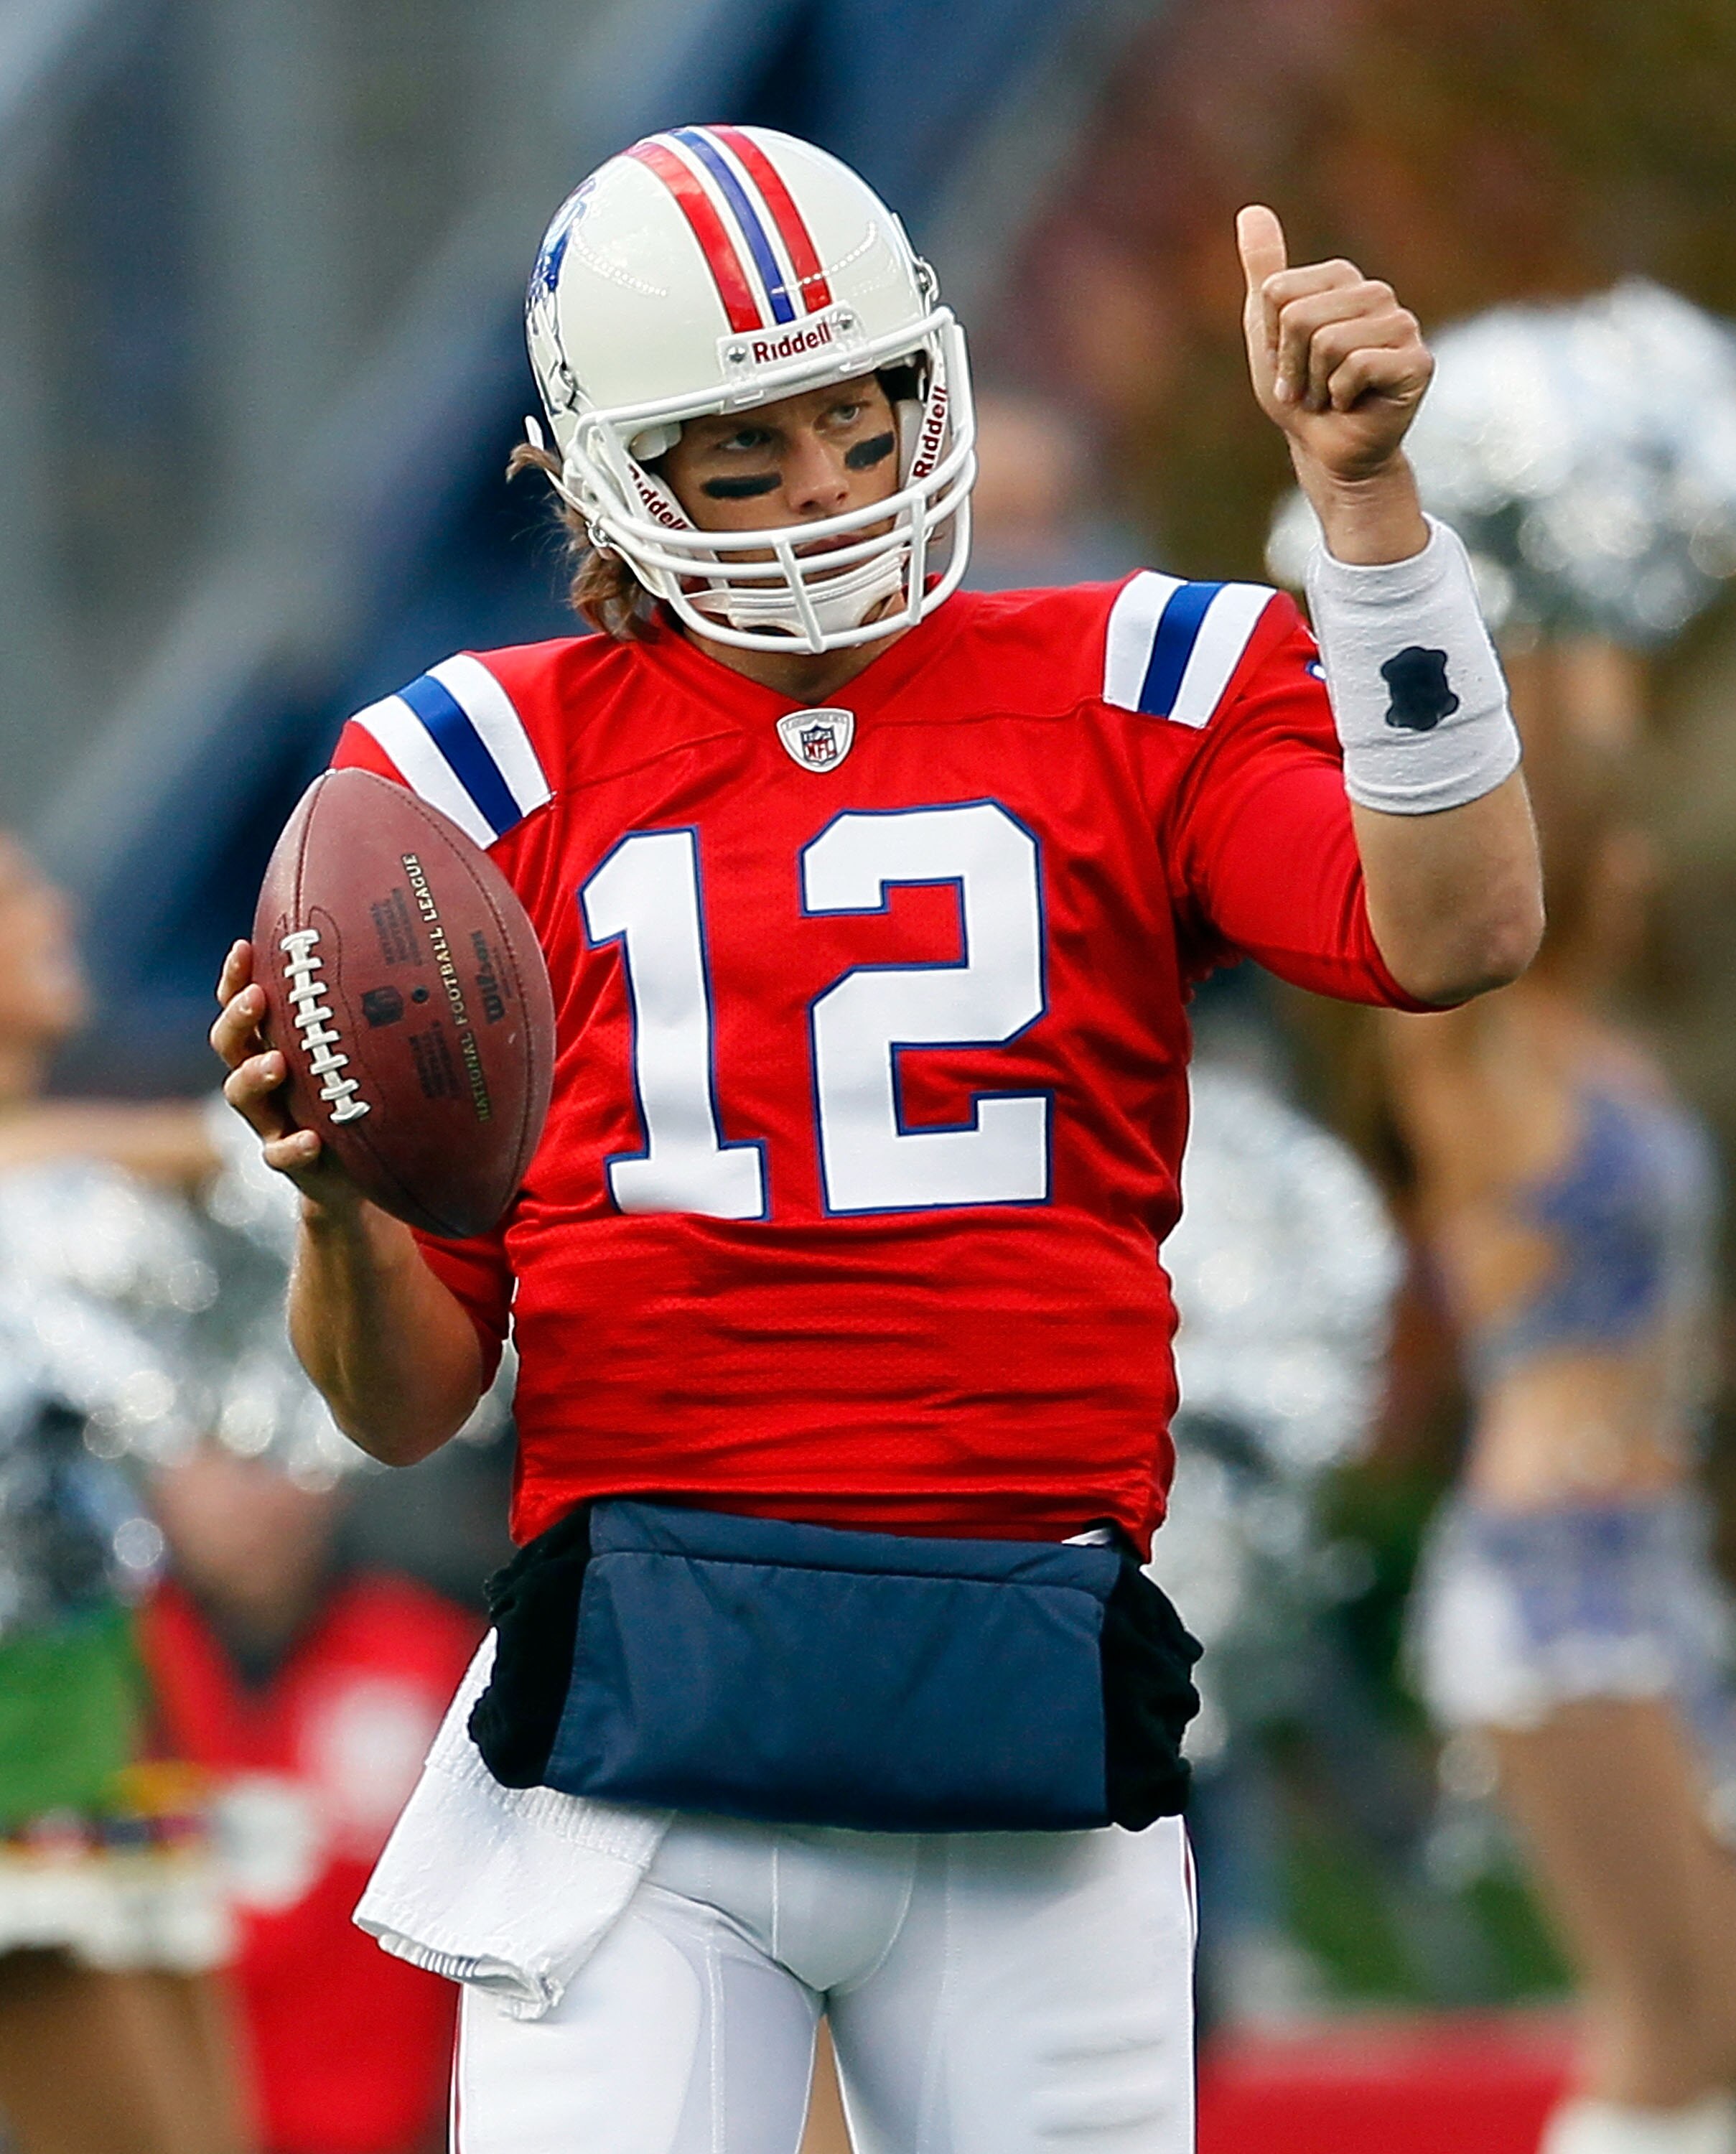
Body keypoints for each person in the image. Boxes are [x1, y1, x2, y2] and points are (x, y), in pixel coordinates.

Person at [211, 126, 1541, 2154]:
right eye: (740, 455)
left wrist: (1367, 520)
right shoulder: (464, 774)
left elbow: (1456, 929)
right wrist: (334, 1199)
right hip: (635, 1752)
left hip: (1021, 1706)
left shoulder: (1136, 677)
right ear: (600, 480)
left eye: (859, 417)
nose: (825, 490)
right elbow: (402, 1412)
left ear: (934, 377)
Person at [1272, 284, 1736, 2154]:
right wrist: (1461, 605)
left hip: (1645, 1556)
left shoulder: (1605, 1018)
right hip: (1549, 1583)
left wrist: (1591, 612)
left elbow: (1612, 802)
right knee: (1678, 2032)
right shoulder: (1465, 1041)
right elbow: (1502, 820)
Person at [0, 837, 250, 2154]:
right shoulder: (54, 1183)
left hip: (101, 1751)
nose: (58, 909)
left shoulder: (67, 1179)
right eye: (12, 894)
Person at [142, 1440, 480, 2154]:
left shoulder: (438, 1657)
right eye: (213, 1455)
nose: (251, 1498)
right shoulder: (95, 1681)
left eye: (274, 1453)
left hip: (396, 2129)